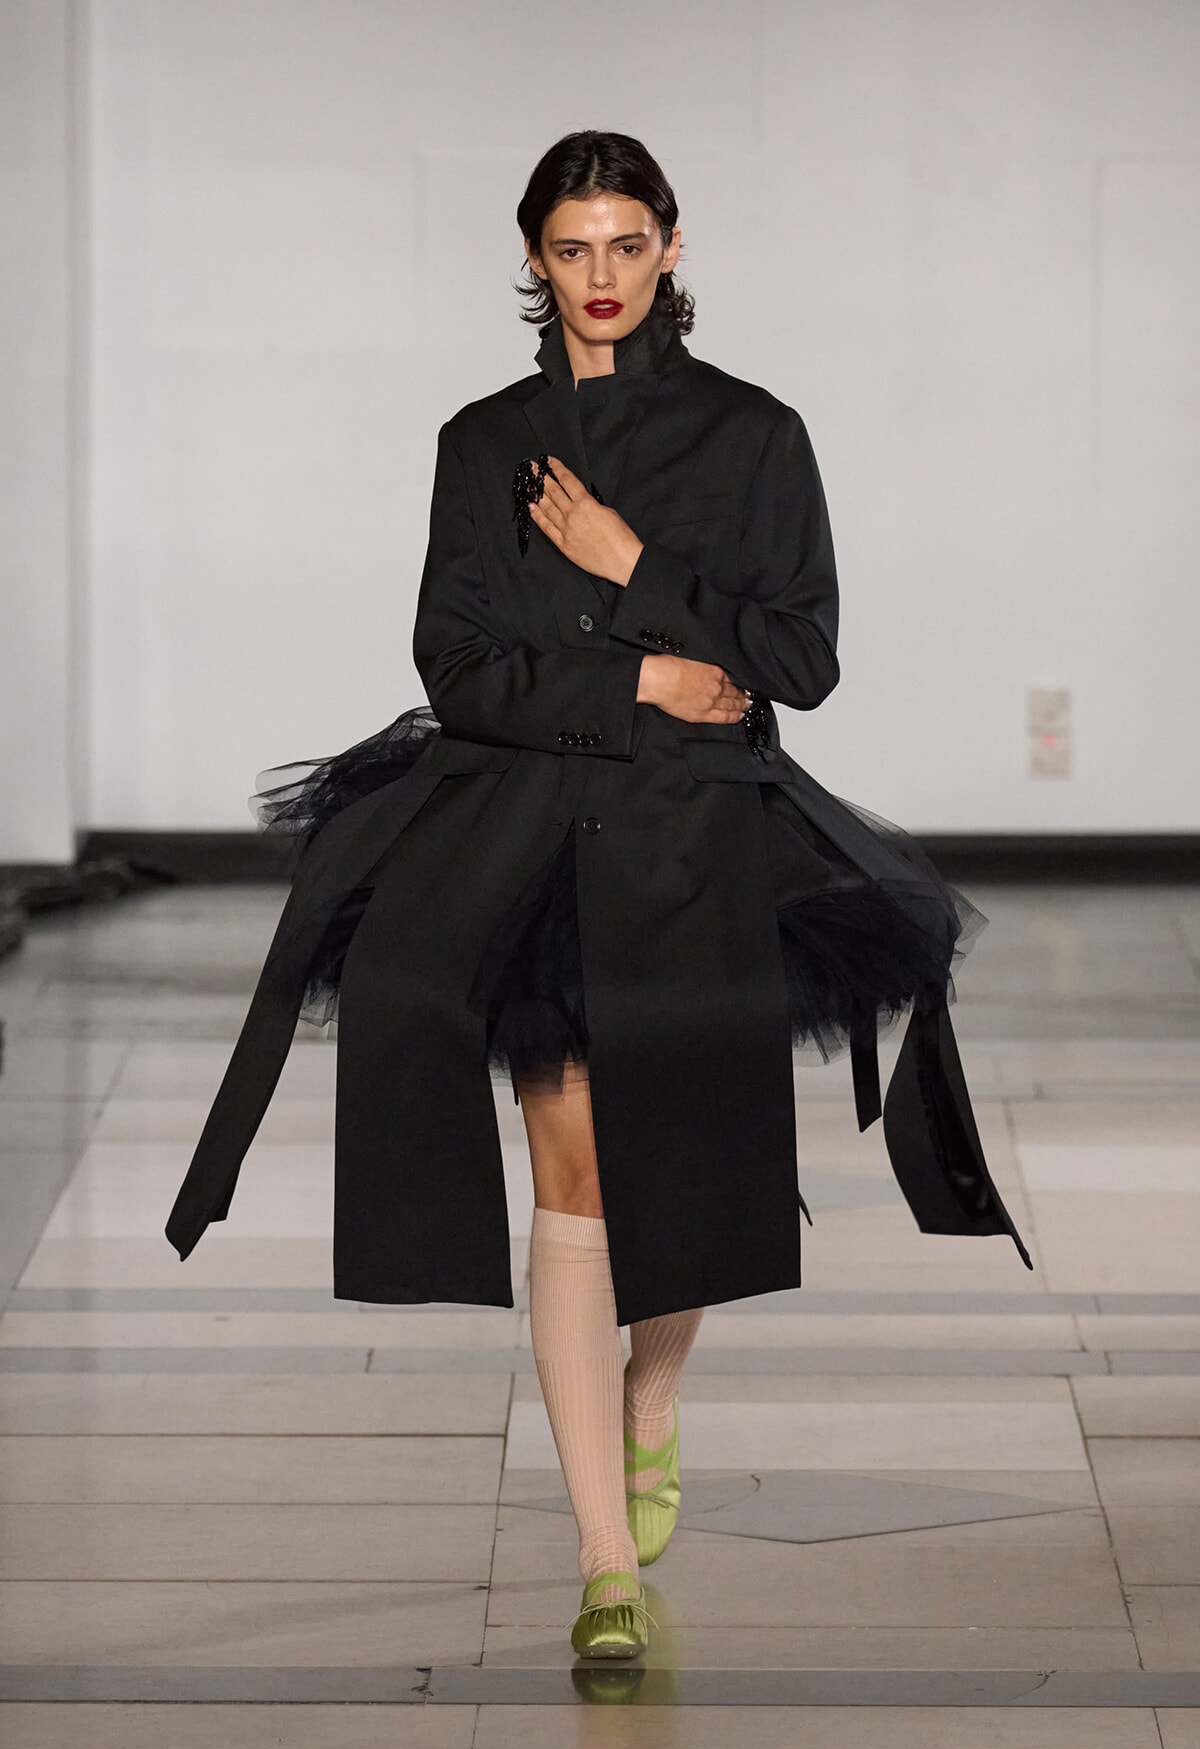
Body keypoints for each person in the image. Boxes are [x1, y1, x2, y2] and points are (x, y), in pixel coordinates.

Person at [166, 130, 1029, 1661]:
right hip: (523, 836)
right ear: (533, 261)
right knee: (572, 1166)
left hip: (710, 839)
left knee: (687, 1157)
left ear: (673, 249)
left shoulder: (759, 437)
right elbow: (456, 669)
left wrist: (633, 565)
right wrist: (643, 680)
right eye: (573, 249)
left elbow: (801, 663)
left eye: (627, 244)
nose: (602, 277)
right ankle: (600, 1564)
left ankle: (652, 1391)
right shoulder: (479, 441)